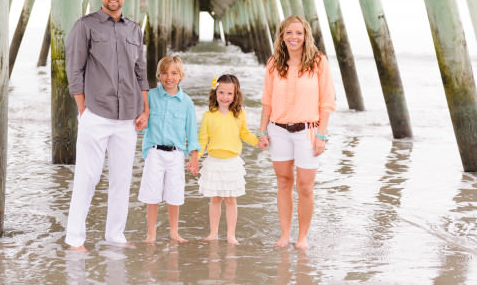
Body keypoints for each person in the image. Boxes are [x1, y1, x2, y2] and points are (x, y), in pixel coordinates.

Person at [64, 0, 149, 250]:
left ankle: (115, 236)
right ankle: (75, 238)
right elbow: (74, 70)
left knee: (122, 180)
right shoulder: (85, 26)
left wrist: (144, 109)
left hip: (128, 118)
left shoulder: (134, 30)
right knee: (87, 177)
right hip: (96, 115)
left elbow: (141, 73)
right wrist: (83, 110)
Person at [259, 15, 336, 249]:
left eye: (299, 33)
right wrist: (262, 131)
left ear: (306, 36)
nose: (294, 37)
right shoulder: (274, 63)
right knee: (283, 182)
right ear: (282, 36)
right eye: (289, 33)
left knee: (305, 186)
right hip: (278, 130)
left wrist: (322, 135)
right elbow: (267, 102)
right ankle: (285, 235)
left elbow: (327, 102)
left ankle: (302, 237)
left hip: (309, 131)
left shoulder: (318, 62)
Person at [198, 73, 266, 244]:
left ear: (236, 95)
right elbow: (202, 140)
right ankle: (213, 233)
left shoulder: (239, 114)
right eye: (221, 92)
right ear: (215, 93)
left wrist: (257, 142)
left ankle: (230, 235)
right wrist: (195, 158)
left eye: (229, 93)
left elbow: (244, 133)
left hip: (231, 163)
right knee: (214, 199)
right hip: (213, 162)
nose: (225, 97)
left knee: (230, 199)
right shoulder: (208, 116)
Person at [139, 55, 200, 244]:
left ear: (180, 76)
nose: (169, 77)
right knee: (152, 194)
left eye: (174, 73)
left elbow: (191, 131)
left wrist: (194, 157)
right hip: (154, 152)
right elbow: (143, 124)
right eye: (164, 73)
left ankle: (174, 231)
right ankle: (151, 233)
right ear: (158, 75)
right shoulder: (150, 97)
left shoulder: (186, 102)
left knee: (174, 194)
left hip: (176, 154)